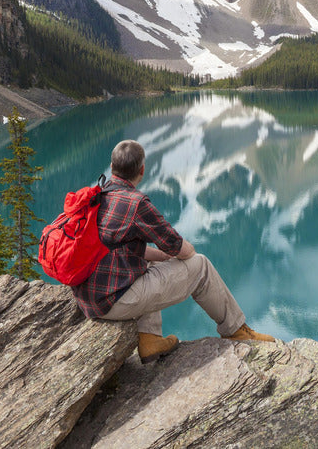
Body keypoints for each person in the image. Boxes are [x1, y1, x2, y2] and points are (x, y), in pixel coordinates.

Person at [72, 139, 275, 363]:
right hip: (113, 302)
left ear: (112, 168)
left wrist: (162, 257)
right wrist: (185, 255)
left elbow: (120, 249)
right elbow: (179, 247)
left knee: (151, 264)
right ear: (142, 170)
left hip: (88, 298)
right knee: (202, 266)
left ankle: (149, 339)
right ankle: (235, 329)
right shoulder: (136, 203)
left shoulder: (98, 196)